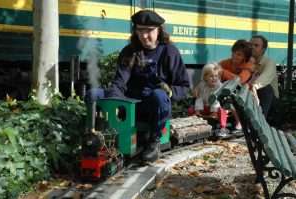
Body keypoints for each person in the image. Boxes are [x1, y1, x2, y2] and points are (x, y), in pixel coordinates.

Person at [86, 10, 190, 162]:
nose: (144, 35)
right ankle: (94, 137)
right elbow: (119, 82)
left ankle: (154, 141)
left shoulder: (169, 52)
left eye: (149, 31)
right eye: (140, 30)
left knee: (159, 96)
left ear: (159, 30)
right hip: (130, 101)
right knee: (93, 94)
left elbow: (184, 86)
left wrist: (170, 91)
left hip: (153, 106)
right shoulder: (129, 51)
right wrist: (114, 102)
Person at [192, 62, 241, 137]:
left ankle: (222, 127)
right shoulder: (202, 85)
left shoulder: (219, 86)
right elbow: (199, 96)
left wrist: (214, 112)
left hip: (217, 107)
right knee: (193, 107)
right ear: (205, 77)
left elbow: (217, 101)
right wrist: (198, 109)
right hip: (206, 106)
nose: (214, 78)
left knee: (221, 110)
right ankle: (195, 122)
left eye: (216, 76)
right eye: (211, 76)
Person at [249, 35, 280, 122]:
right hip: (254, 96)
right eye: (250, 45)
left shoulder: (270, 63)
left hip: (271, 103)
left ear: (263, 49)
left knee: (266, 88)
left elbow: (262, 81)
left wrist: (253, 86)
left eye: (256, 45)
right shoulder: (248, 62)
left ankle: (260, 121)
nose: (252, 47)